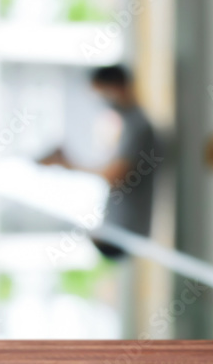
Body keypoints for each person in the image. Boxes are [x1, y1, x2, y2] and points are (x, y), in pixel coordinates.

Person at [39, 65, 159, 259]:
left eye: (103, 93)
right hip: (120, 229)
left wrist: (68, 165)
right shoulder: (127, 125)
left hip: (125, 230)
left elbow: (115, 176)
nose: (102, 100)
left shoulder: (137, 126)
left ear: (118, 87)